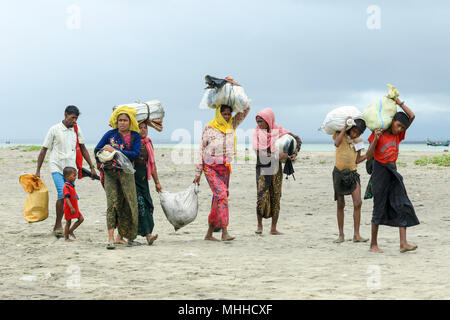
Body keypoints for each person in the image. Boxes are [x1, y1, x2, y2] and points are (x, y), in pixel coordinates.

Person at [366, 98, 419, 253]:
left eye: (402, 127)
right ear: (392, 121)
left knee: (402, 204)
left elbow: (412, 116)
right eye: (398, 125)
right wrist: (375, 138)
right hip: (380, 172)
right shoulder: (379, 133)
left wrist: (398, 102)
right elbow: (369, 156)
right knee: (379, 207)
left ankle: (403, 243)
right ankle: (373, 245)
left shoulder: (399, 135)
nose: (399, 129)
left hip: (393, 171)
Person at [35, 105, 96, 238]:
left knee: (68, 196)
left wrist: (91, 166)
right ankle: (58, 225)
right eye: (72, 117)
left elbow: (83, 148)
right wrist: (38, 170)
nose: (74, 121)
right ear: (65, 114)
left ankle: (63, 224)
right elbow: (44, 150)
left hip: (71, 170)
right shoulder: (54, 129)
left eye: (76, 118)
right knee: (62, 193)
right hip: (56, 166)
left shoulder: (77, 129)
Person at [193, 104, 250, 241]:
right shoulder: (209, 128)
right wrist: (198, 172)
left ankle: (209, 234)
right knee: (222, 194)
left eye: (228, 114)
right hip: (210, 166)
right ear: (219, 113)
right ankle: (224, 231)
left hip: (224, 168)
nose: (226, 116)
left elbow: (246, 109)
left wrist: (235, 85)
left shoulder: (231, 125)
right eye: (224, 114)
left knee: (218, 199)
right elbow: (201, 149)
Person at [95, 106, 141, 250]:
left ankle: (129, 237)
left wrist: (116, 150)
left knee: (129, 202)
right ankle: (110, 239)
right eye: (120, 120)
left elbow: (135, 154)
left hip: (126, 174)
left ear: (130, 122)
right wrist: (104, 156)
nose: (122, 123)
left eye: (125, 120)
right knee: (112, 203)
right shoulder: (110, 134)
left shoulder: (135, 136)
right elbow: (97, 149)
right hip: (110, 173)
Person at [252, 108, 302, 235]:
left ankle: (273, 229)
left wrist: (293, 154)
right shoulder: (256, 133)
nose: (259, 124)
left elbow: (297, 140)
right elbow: (260, 154)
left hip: (276, 169)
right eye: (257, 121)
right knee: (261, 196)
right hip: (262, 168)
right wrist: (279, 156)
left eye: (261, 121)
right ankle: (259, 226)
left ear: (269, 121)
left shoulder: (279, 132)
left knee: (276, 196)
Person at [116, 121, 161, 246]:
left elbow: (152, 164)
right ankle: (148, 235)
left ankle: (122, 237)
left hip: (143, 180)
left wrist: (157, 182)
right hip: (131, 178)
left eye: (145, 128)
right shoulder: (131, 143)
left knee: (148, 205)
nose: (143, 130)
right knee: (139, 206)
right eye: (140, 128)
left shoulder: (148, 143)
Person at [332, 117, 368, 243]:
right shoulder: (339, 135)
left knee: (358, 202)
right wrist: (344, 128)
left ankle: (356, 235)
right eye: (354, 131)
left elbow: (357, 160)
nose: (355, 134)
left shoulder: (358, 141)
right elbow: (336, 143)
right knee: (340, 204)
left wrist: (367, 155)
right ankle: (341, 235)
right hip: (339, 174)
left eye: (359, 133)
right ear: (350, 128)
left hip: (353, 173)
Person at [62, 167, 84, 242]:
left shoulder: (71, 185)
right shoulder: (66, 187)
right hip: (69, 208)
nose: (75, 177)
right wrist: (71, 207)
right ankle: (66, 238)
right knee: (68, 222)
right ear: (67, 177)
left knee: (81, 219)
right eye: (74, 175)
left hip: (75, 207)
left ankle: (71, 230)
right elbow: (67, 198)